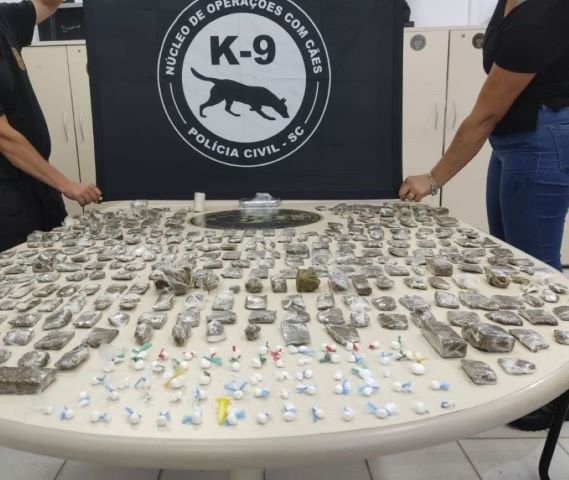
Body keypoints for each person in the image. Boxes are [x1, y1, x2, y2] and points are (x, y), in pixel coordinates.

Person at [400, 0, 569, 431]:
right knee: (511, 263)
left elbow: (485, 114)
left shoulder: (540, 17)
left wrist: (433, 179)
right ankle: (528, 371)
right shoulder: (509, 5)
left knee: (539, 273)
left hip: (542, 137)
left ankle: (555, 396)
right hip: (514, 140)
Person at [0, 0, 101, 252]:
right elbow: (4, 137)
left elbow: (47, 5)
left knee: (64, 258)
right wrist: (66, 184)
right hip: (8, 198)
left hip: (39, 183)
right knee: (22, 270)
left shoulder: (5, 17)